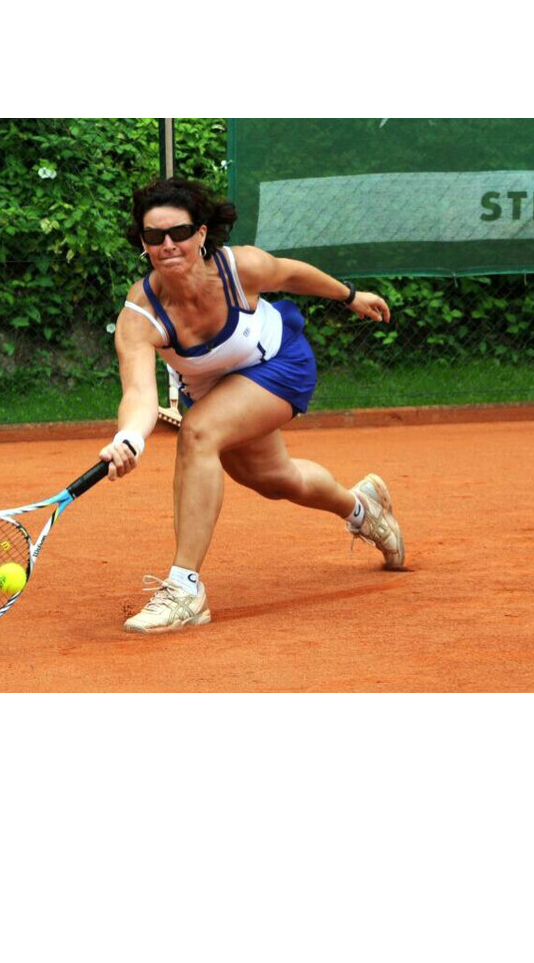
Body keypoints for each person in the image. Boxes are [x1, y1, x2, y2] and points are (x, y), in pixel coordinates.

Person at [98, 175, 406, 634]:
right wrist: (128, 439)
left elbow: (291, 274)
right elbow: (140, 394)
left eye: (180, 232)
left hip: (279, 364)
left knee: (198, 433)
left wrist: (349, 296)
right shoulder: (139, 315)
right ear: (143, 243)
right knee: (277, 479)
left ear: (201, 233)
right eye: (154, 236)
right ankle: (363, 508)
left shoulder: (238, 268)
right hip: (214, 391)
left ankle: (184, 590)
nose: (168, 245)